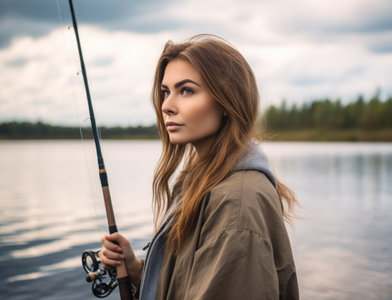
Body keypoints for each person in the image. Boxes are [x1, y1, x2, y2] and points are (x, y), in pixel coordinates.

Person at [99, 34, 299, 300]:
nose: (167, 107)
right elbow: (192, 278)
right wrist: (137, 270)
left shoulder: (237, 202)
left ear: (227, 102)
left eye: (187, 90)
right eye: (165, 92)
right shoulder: (205, 180)